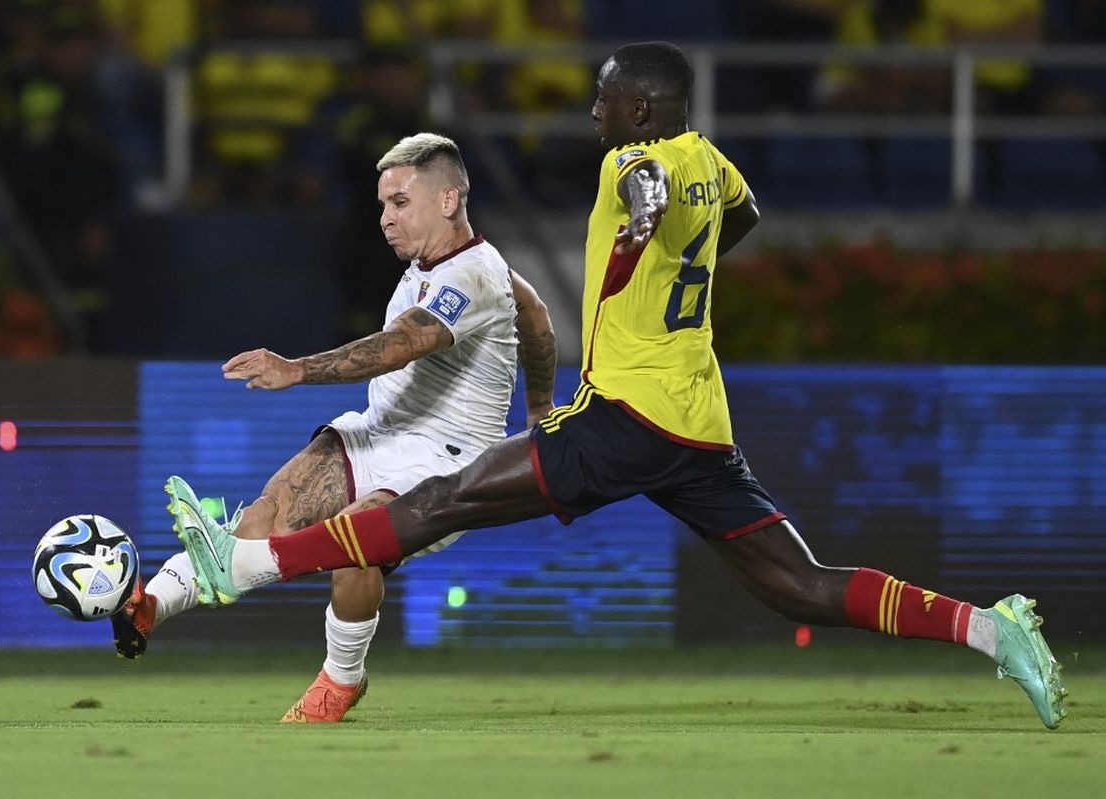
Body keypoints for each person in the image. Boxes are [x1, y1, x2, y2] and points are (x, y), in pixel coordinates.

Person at [171, 42, 1068, 730]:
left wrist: (644, 225)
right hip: (698, 424)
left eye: (604, 95)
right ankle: (993, 630)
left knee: (438, 502)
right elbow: (745, 215)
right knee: (801, 586)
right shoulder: (714, 163)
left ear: (638, 106)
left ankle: (244, 560)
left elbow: (642, 183)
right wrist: (675, 261)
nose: (593, 108)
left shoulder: (629, 161)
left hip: (628, 413)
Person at [114, 132, 557, 724]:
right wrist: (540, 413)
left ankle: (341, 680)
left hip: (443, 465)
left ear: (448, 200)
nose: (385, 218)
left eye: (399, 202)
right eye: (381, 204)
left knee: (356, 547)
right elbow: (538, 318)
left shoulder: (472, 275)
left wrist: (297, 369)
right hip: (377, 431)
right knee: (263, 518)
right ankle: (151, 606)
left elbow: (404, 345)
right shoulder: (458, 266)